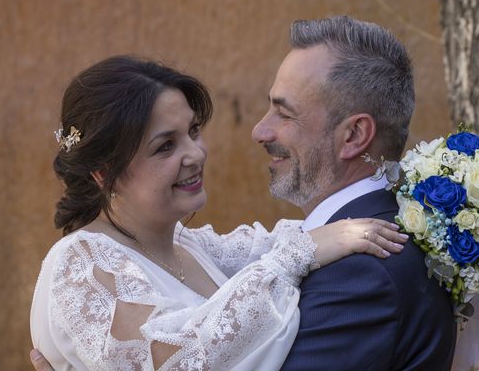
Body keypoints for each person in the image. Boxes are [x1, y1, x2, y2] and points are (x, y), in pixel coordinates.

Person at [29, 55, 408, 371]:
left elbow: (271, 247)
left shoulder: (190, 246)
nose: (195, 154)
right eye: (165, 146)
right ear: (104, 172)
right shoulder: (80, 265)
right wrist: (300, 252)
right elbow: (180, 359)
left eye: (193, 131)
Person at [251, 16, 457, 370]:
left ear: (354, 136)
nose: (260, 131)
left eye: (284, 114)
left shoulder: (361, 272)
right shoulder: (385, 233)